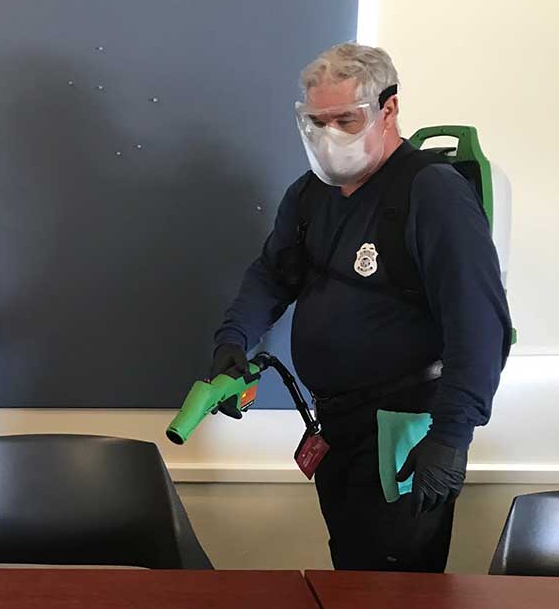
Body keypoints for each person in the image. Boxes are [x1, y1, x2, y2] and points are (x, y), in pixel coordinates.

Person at [212, 43, 511, 572]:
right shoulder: (311, 194)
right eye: (316, 121)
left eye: (345, 119)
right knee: (351, 568)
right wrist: (234, 340)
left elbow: (480, 326)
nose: (329, 135)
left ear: (388, 109)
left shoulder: (431, 193)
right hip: (337, 421)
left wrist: (450, 438)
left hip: (403, 429)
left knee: (392, 585)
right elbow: (271, 274)